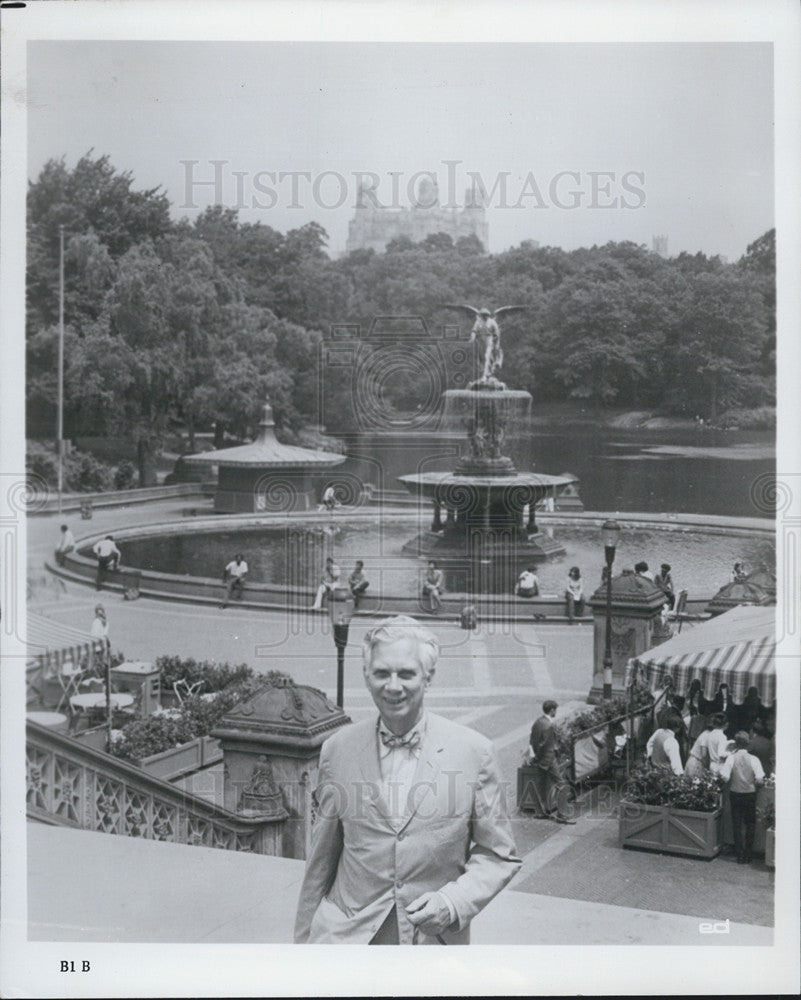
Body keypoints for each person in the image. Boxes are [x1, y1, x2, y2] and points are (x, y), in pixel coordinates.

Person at [294, 616, 521, 944]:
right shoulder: (337, 749)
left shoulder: (475, 753)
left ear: (428, 677)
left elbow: (500, 854)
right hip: (344, 943)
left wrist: (452, 902)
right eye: (382, 673)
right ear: (367, 676)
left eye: (406, 673)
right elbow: (320, 863)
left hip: (430, 947)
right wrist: (300, 951)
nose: (393, 686)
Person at [719, 731, 765, 864]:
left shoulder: (731, 758)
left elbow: (725, 777)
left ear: (736, 744)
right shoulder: (754, 759)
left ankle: (739, 854)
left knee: (737, 823)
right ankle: (748, 854)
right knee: (750, 823)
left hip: (735, 793)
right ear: (748, 743)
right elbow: (759, 779)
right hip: (750, 794)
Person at [529, 700, 577, 824]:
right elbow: (545, 745)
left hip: (539, 761)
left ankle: (540, 812)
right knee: (561, 785)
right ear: (551, 710)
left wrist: (535, 758)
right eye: (555, 710)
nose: (556, 712)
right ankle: (562, 814)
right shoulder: (549, 726)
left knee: (540, 785)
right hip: (549, 760)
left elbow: (533, 741)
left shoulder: (538, 722)